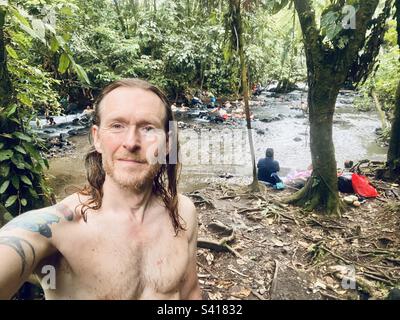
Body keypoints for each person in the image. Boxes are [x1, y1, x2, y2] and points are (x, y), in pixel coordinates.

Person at [0, 78, 202, 300]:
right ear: (97, 138)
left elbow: (190, 292)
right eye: (117, 126)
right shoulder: (58, 228)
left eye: (148, 128)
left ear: (167, 144)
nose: (131, 142)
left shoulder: (183, 212)